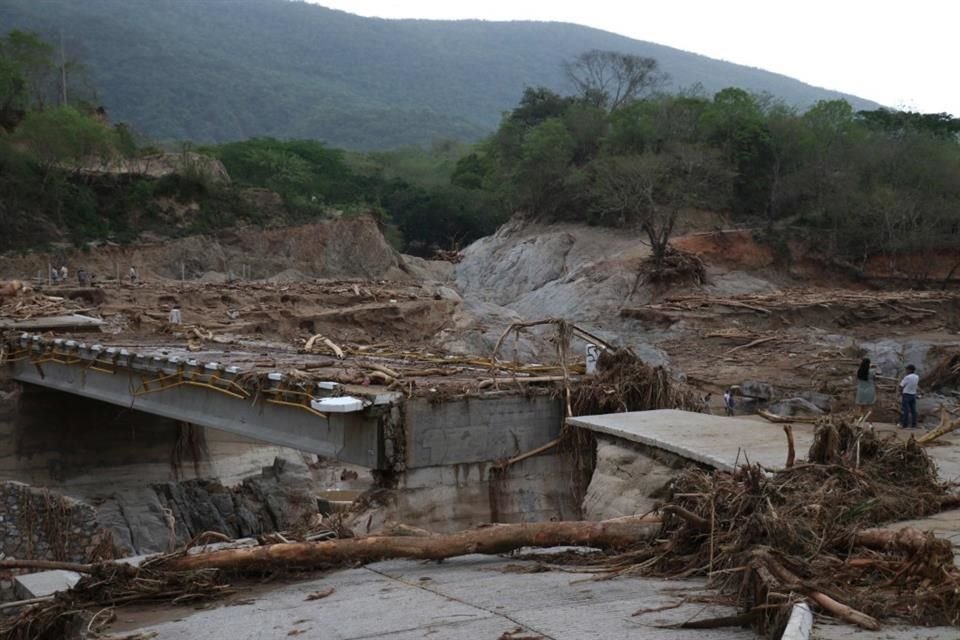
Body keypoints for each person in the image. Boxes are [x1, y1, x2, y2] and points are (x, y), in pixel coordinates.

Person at [899, 364, 920, 429]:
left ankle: (904, 424)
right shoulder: (917, 377)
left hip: (906, 394)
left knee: (906, 410)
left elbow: (901, 385)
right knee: (913, 410)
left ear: (910, 370)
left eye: (907, 369)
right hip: (913, 394)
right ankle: (914, 424)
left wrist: (900, 392)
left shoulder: (907, 377)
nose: (906, 371)